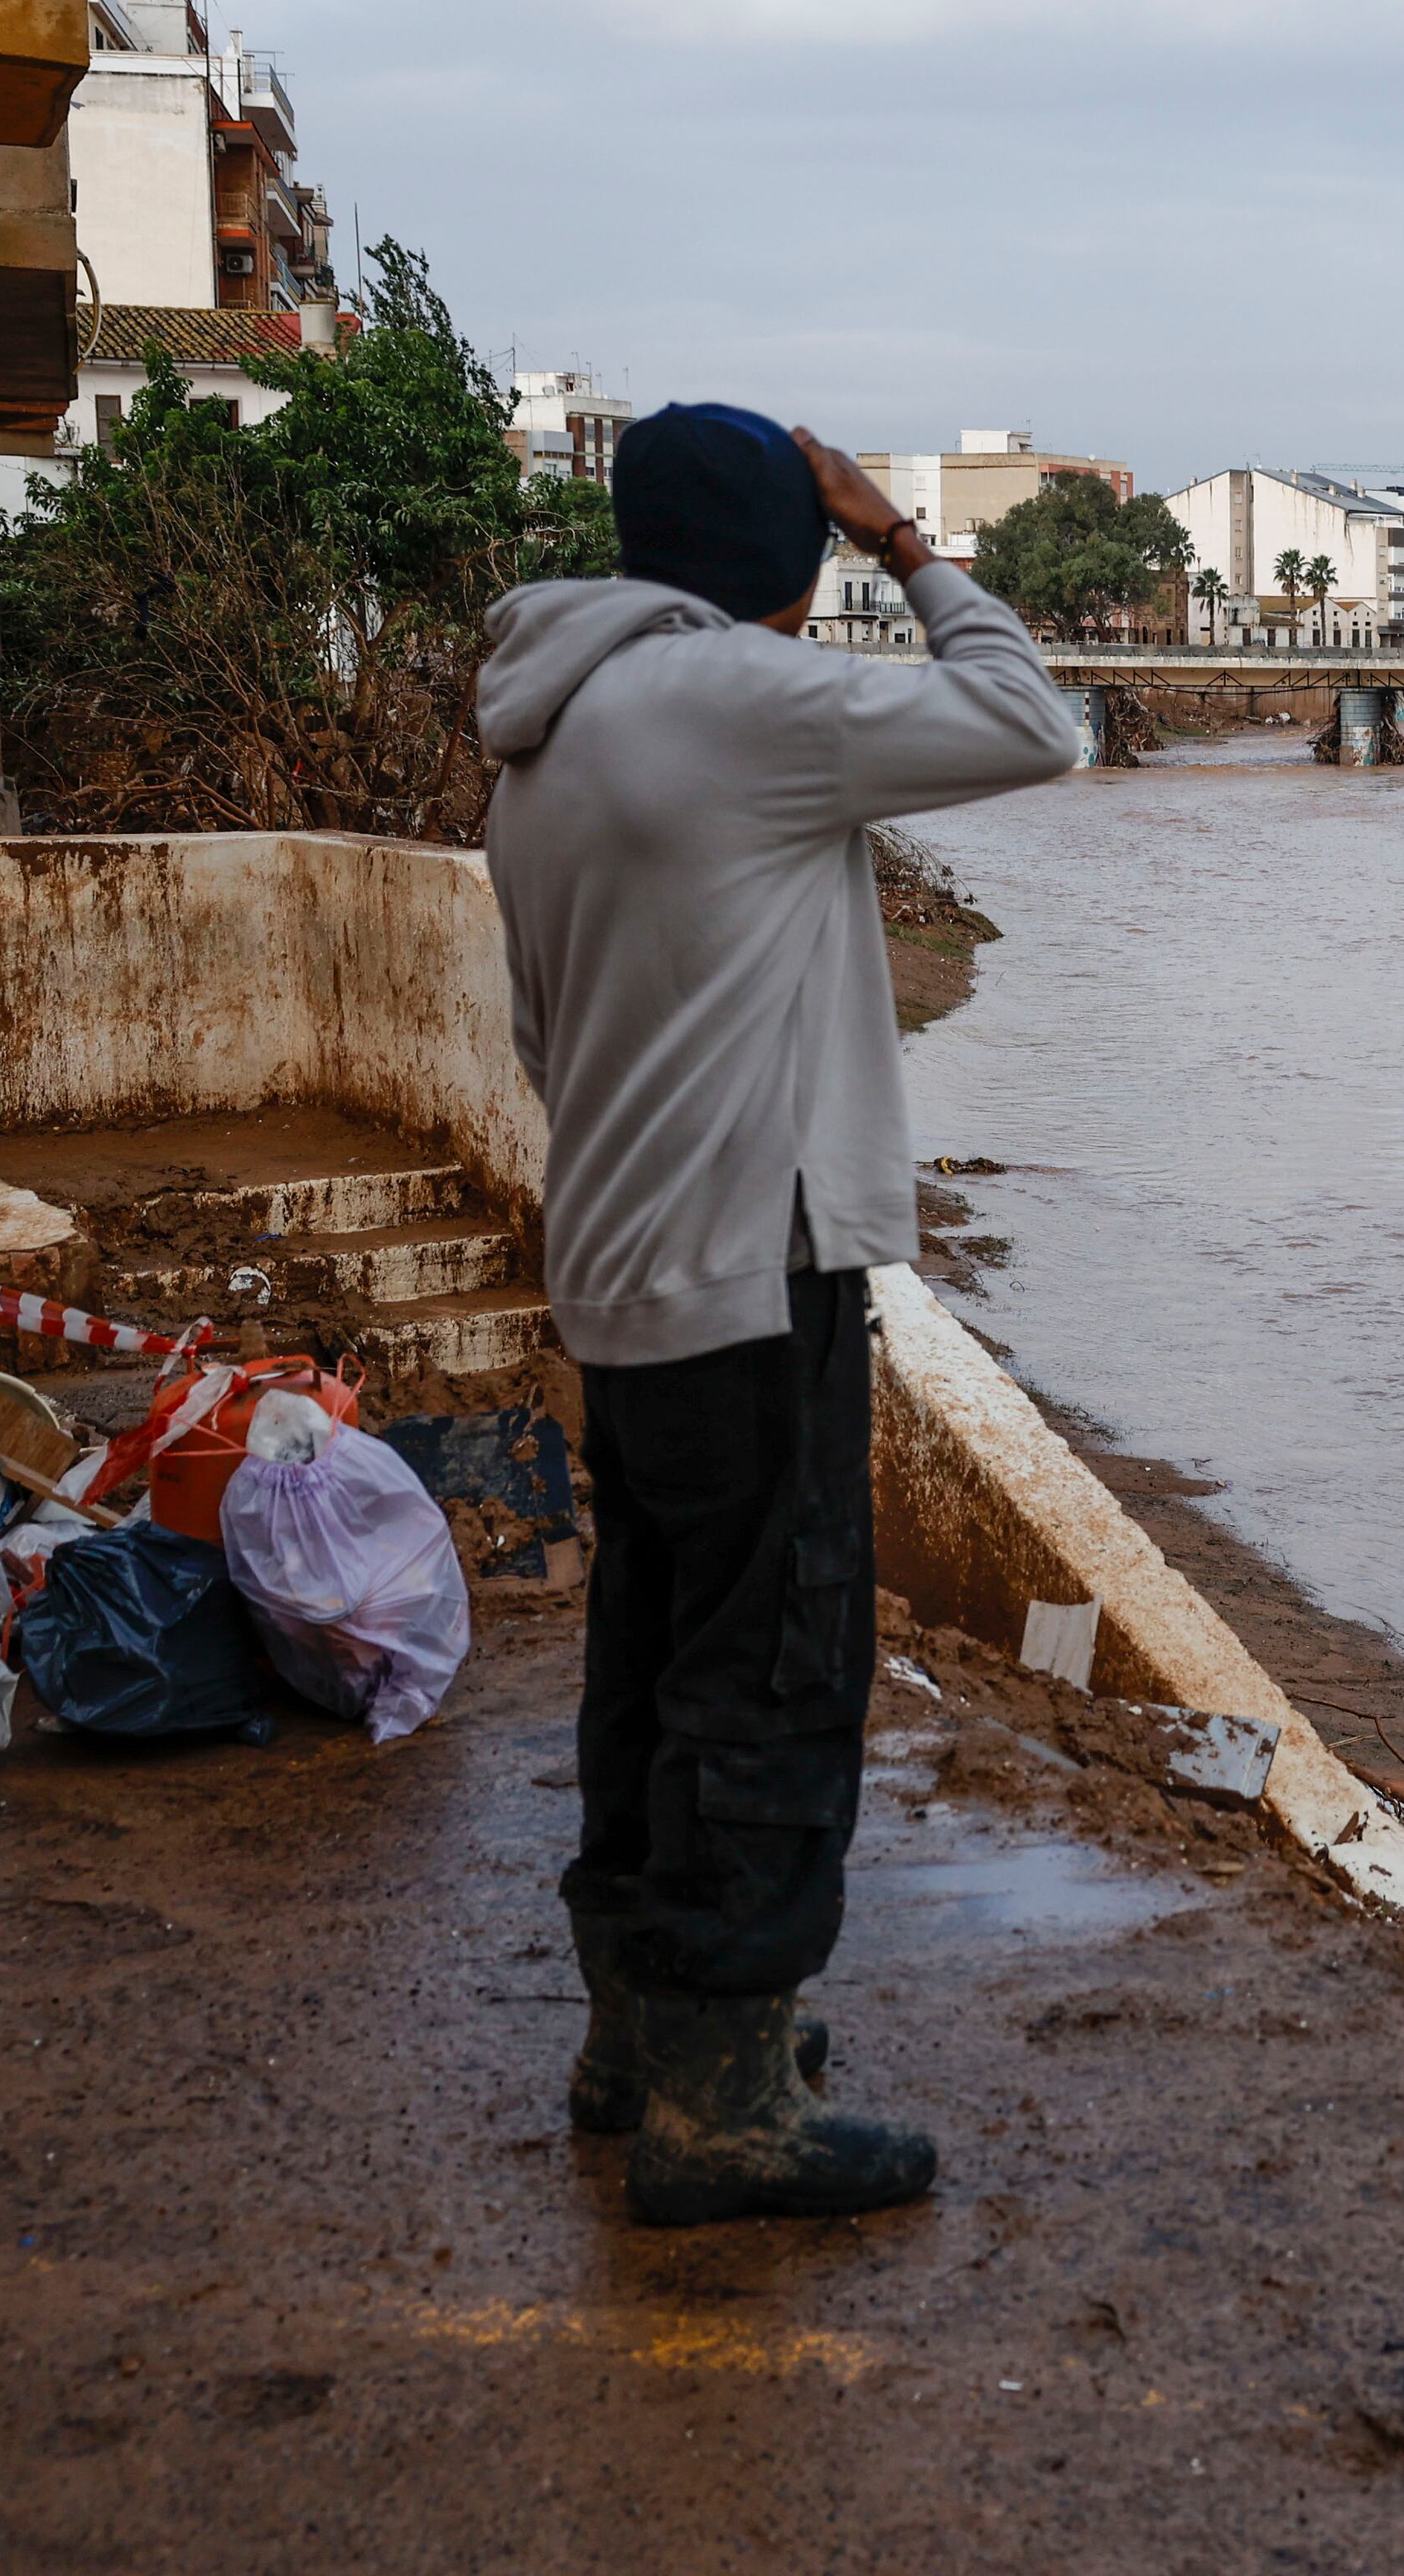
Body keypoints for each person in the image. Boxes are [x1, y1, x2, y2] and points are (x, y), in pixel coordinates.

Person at [475, 405, 1082, 2226]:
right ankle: (724, 2102)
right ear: (782, 559)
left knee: (650, 1661)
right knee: (773, 1662)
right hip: (756, 1268)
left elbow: (536, 1031)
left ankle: (636, 2036)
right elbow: (1036, 722)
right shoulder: (735, 703)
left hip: (624, 1261)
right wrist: (904, 536)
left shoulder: (548, 731)